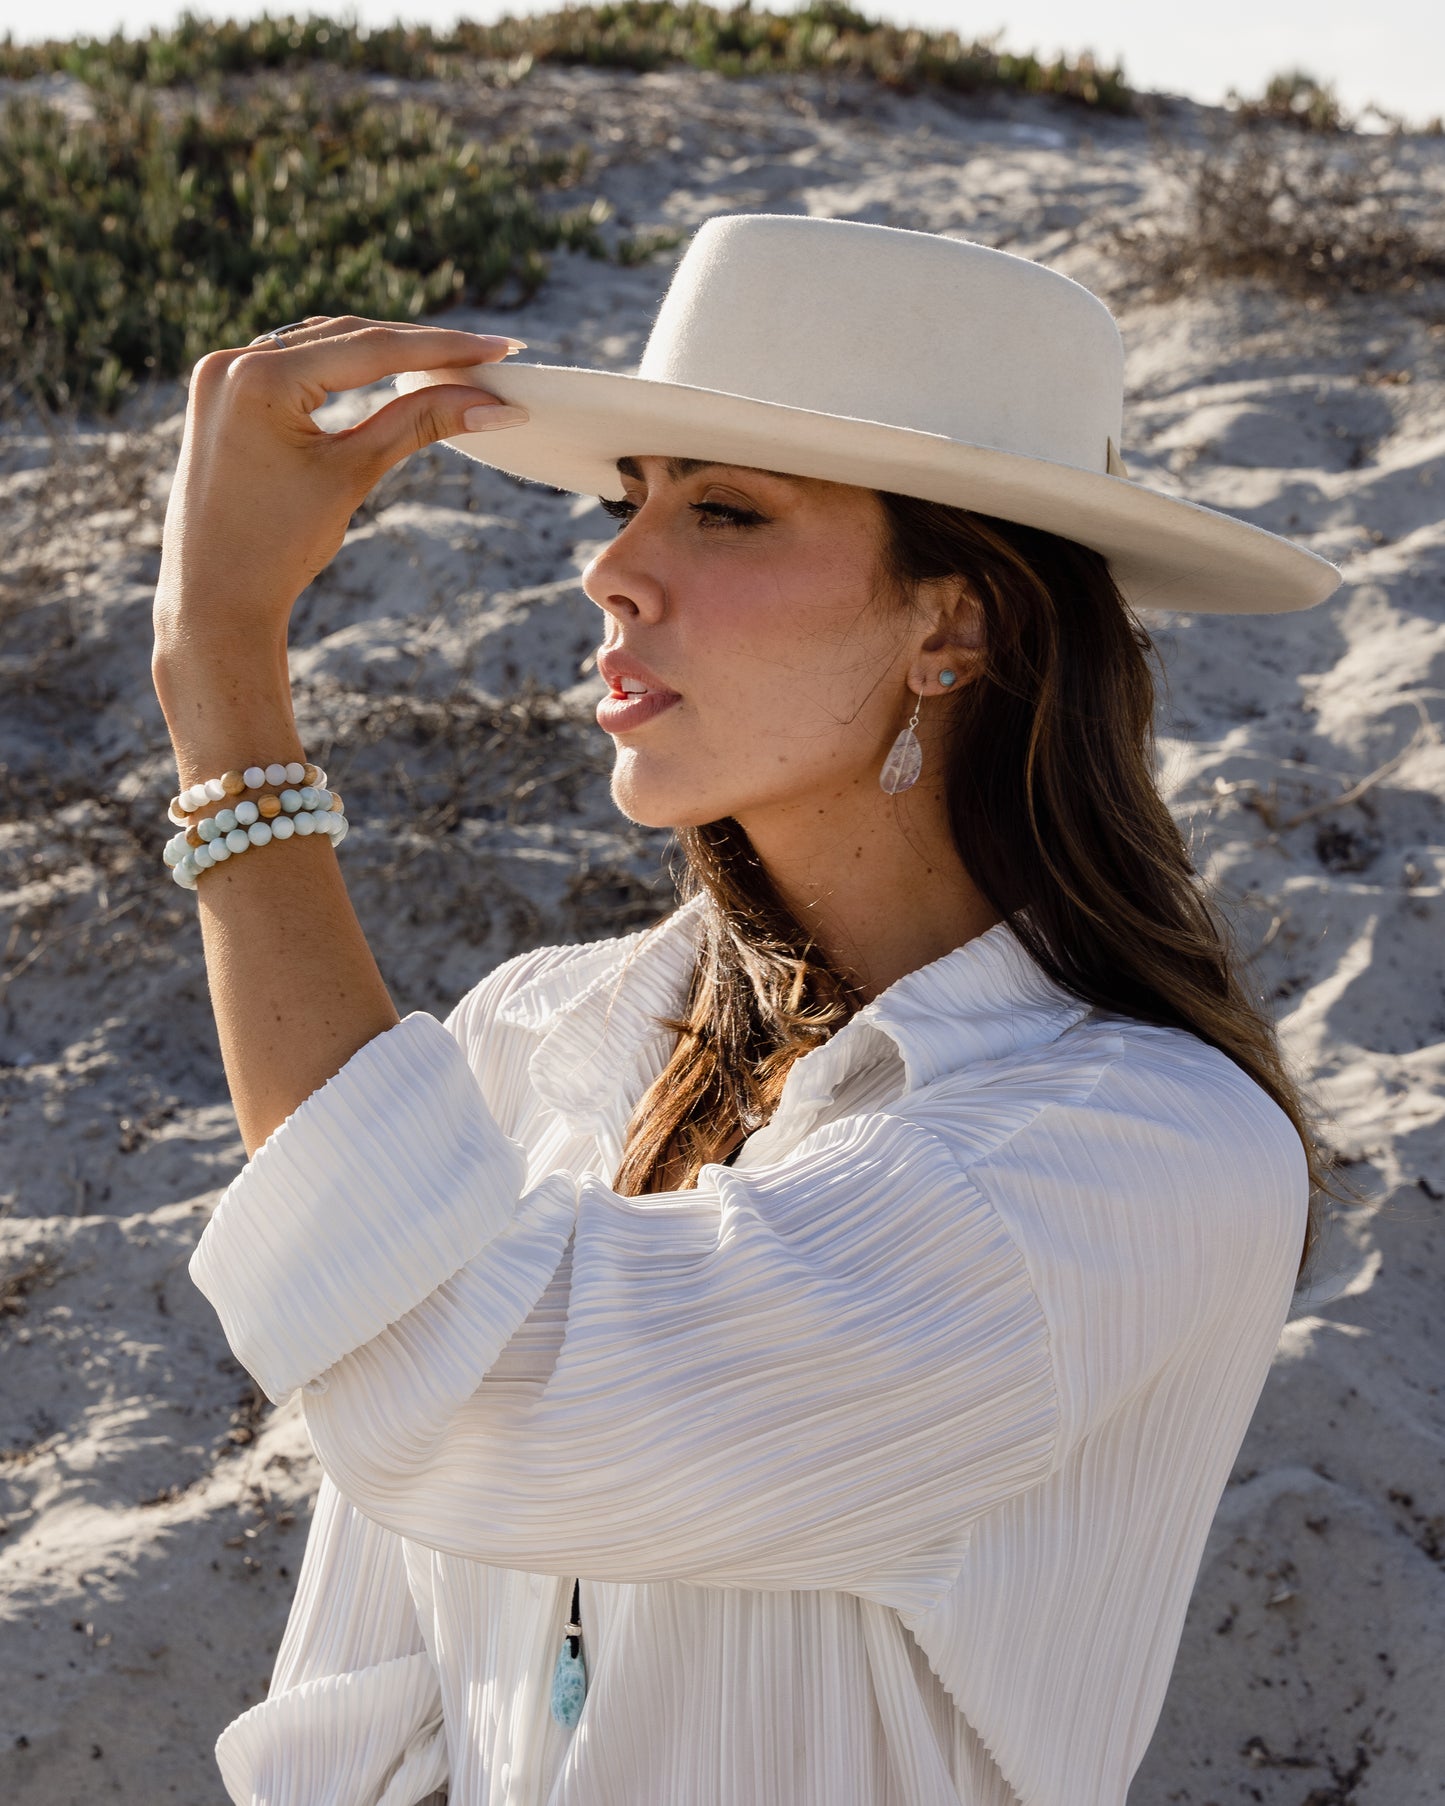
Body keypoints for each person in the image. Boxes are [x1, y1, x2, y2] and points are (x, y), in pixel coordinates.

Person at [154, 214, 1343, 1806]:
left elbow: (469, 1385)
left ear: (955, 624)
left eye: (722, 509)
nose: (612, 568)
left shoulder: (1140, 1156)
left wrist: (223, 669)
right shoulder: (528, 1037)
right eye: (625, 496)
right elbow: (360, 1707)